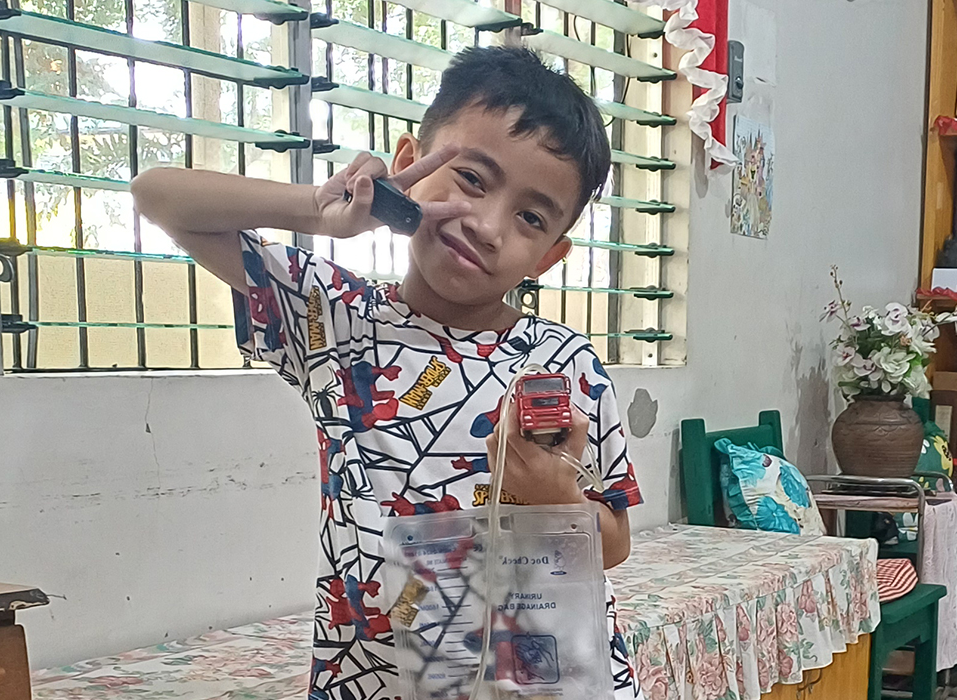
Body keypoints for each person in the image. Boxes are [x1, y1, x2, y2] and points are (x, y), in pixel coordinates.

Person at [132, 46, 644, 700]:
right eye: (472, 179)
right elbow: (159, 197)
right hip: (370, 685)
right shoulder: (337, 319)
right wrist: (320, 209)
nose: (487, 226)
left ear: (549, 256)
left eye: (530, 218)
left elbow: (615, 541)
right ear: (409, 166)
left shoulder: (567, 367)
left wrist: (557, 499)